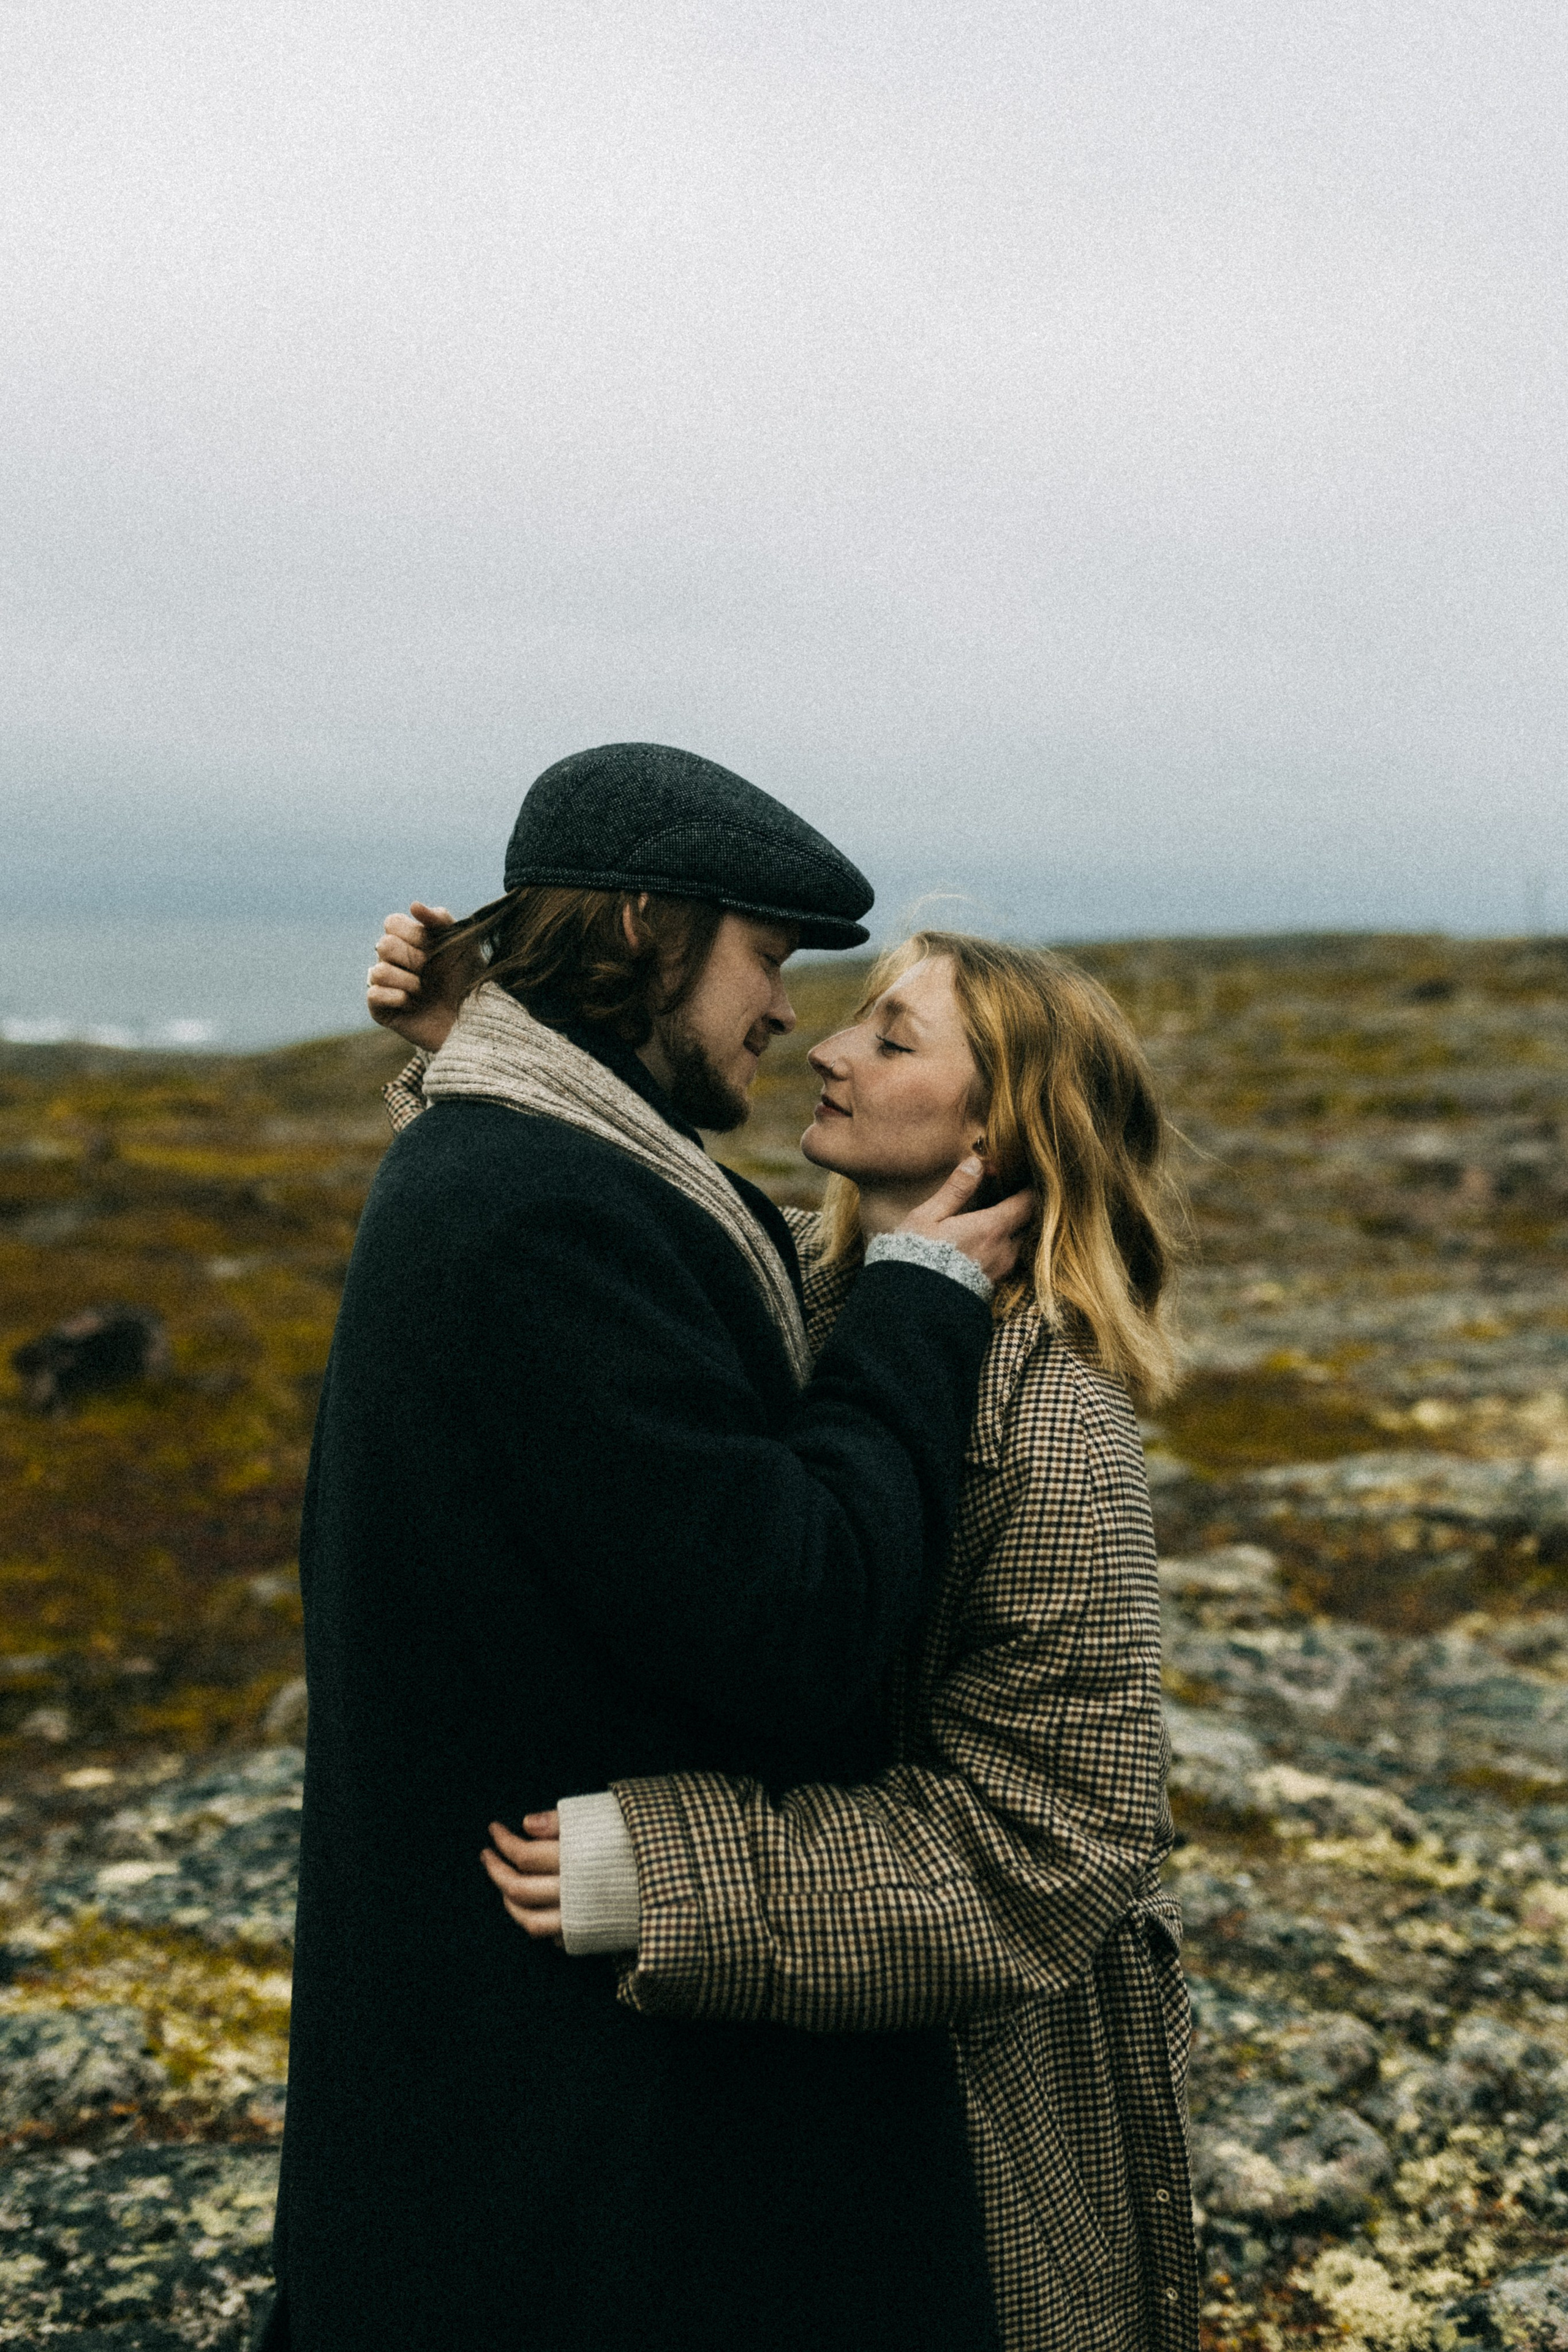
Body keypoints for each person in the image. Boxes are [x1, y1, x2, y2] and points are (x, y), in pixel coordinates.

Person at [264, 742, 1032, 2352]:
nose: (785, 1017)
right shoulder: (534, 1212)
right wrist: (919, 1299)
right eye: (766, 958)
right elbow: (801, 1619)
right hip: (576, 2132)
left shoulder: (530, 1170)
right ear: (640, 927)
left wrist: (480, 1030)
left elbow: (694, 1248)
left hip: (560, 2087)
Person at [475, 932, 1201, 2352]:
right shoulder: (780, 1284)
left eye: (890, 1037)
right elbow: (582, 1242)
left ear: (993, 1130)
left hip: (959, 2119)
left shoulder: (1051, 1425)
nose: (824, 1045)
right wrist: (479, 1043)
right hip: (757, 2092)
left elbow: (1061, 1841)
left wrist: (679, 1877)